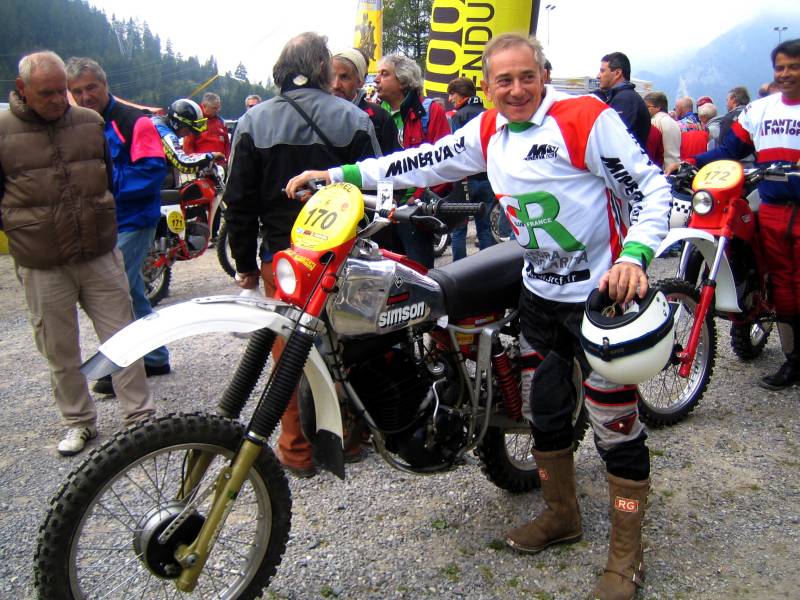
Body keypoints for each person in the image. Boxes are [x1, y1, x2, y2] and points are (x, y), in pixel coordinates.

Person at [287, 33, 672, 599]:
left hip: (598, 299)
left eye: (526, 77)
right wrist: (340, 176)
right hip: (539, 296)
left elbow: (652, 188)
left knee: (615, 426)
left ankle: (625, 554)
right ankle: (562, 515)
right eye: (503, 80)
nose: (516, 90)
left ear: (544, 75)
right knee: (545, 412)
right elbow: (420, 161)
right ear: (487, 87)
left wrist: (634, 257)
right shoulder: (489, 129)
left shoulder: (585, 117)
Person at [224, 32, 381, 478]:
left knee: (289, 354)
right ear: (323, 70)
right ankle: (348, 438)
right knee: (349, 346)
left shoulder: (252, 122)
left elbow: (238, 201)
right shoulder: (354, 119)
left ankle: (296, 450)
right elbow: (377, 191)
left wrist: (245, 265)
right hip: (343, 258)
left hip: (284, 260)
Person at [0, 51, 154, 456]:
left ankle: (140, 418)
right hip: (42, 262)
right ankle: (79, 422)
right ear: (22, 89)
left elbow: (108, 179)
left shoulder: (89, 123)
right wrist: (25, 230)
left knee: (124, 337)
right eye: (47, 93)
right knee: (59, 348)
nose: (57, 100)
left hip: (98, 252)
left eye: (61, 91)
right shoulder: (2, 131)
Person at [686, 38, 800, 391]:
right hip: (773, 210)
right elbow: (729, 149)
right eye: (780, 67)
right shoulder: (759, 110)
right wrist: (690, 162)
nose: (786, 73)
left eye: (793, 66)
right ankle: (794, 359)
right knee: (782, 283)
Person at [65, 57, 171, 397]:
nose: (85, 96)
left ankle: (124, 364)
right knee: (131, 290)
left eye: (91, 87)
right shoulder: (79, 124)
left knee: (114, 291)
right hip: (103, 222)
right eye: (77, 91)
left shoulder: (134, 121)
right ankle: (155, 356)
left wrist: (102, 190)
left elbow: (152, 170)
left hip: (133, 219)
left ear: (105, 84)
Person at [375, 52, 452, 268]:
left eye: (384, 74)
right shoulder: (376, 114)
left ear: (403, 80)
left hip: (414, 213)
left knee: (418, 274)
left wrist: (418, 199)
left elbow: (445, 162)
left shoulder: (430, 111)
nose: (377, 79)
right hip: (383, 211)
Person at [446, 76, 496, 260]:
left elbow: (455, 152)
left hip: (464, 180)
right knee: (485, 228)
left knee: (459, 229)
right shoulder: (488, 114)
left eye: (452, 94)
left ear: (461, 94)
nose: (450, 99)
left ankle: (460, 270)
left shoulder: (458, 116)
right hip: (487, 178)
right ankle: (486, 268)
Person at [331, 47, 401, 155]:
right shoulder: (315, 114)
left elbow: (394, 161)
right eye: (330, 76)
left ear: (361, 81)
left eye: (344, 77)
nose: (336, 85)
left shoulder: (380, 118)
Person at [151, 98, 224, 176]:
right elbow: (183, 163)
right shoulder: (164, 132)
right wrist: (211, 156)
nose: (188, 134)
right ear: (178, 124)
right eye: (189, 129)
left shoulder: (159, 122)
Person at [595, 52, 650, 149]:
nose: (598, 76)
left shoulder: (624, 99)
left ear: (617, 73)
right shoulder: (623, 97)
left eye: (602, 71)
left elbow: (613, 138)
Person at [645, 91, 681, 172]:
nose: (645, 109)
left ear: (658, 107)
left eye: (647, 106)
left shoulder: (654, 121)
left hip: (664, 169)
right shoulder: (674, 122)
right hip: (676, 167)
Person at [707, 86, 750, 150]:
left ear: (733, 100)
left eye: (727, 100)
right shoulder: (753, 113)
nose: (726, 104)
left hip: (736, 155)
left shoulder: (729, 119)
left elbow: (722, 145)